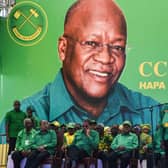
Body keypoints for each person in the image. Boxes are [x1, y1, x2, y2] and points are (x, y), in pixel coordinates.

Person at [19, 0, 161, 128]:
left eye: (117, 47)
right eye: (91, 43)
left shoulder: (152, 114)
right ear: (63, 48)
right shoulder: (27, 117)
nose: (105, 58)